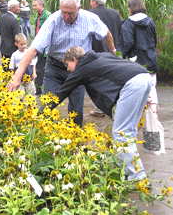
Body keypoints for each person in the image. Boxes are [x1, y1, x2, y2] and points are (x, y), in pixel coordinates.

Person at [41, 47, 151, 180]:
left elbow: (62, 92)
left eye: (67, 64)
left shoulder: (82, 68)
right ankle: (129, 170)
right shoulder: (102, 55)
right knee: (129, 131)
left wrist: (42, 111)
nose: (67, 69)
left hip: (132, 84)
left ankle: (137, 176)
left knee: (120, 132)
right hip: (144, 76)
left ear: (74, 60)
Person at [7, 0, 115, 126]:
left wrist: (114, 54)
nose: (66, 16)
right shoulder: (53, 20)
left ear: (79, 8)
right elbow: (33, 49)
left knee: (76, 110)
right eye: (64, 12)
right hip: (55, 67)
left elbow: (107, 34)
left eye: (71, 13)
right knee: (47, 106)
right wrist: (17, 75)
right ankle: (47, 138)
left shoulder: (90, 18)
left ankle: (76, 140)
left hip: (78, 70)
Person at [120, 0, 159, 117]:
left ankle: (137, 112)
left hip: (136, 60)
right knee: (151, 85)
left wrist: (118, 56)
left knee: (136, 87)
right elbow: (154, 40)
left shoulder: (128, 22)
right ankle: (153, 113)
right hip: (150, 57)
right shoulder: (150, 21)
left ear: (130, 7)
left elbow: (126, 43)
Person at [88, 0, 123, 117]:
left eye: (91, 0)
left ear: (95, 2)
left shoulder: (89, 15)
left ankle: (98, 109)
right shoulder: (115, 14)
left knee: (95, 81)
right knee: (111, 81)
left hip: (95, 52)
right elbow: (120, 30)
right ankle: (113, 108)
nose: (90, 3)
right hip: (112, 52)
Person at [32, 0, 51, 95]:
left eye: (35, 5)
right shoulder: (37, 17)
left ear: (41, 5)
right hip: (39, 46)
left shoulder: (47, 16)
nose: (34, 7)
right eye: (33, 6)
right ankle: (38, 89)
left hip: (45, 48)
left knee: (43, 68)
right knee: (39, 68)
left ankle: (42, 90)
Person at [0, 0, 21, 68]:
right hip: (13, 50)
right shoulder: (14, 20)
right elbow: (17, 37)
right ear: (12, 8)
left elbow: (0, 31)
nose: (19, 8)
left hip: (3, 48)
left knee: (5, 71)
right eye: (18, 7)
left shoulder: (1, 17)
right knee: (12, 72)